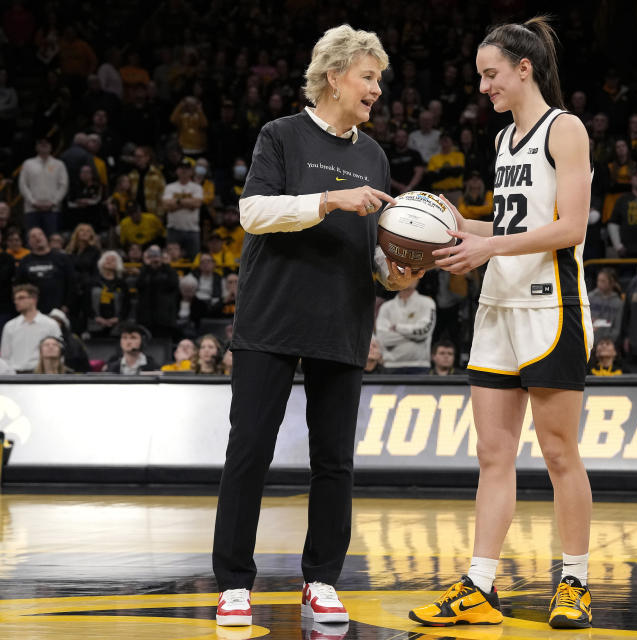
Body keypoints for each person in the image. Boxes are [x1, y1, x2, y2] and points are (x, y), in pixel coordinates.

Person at [213, 24, 422, 630]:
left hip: (342, 321)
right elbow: (252, 213)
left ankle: (322, 579)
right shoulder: (279, 136)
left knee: (335, 462)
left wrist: (399, 273)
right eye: (368, 77)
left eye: (378, 80)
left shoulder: (374, 155)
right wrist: (329, 201)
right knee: (248, 451)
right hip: (271, 318)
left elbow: (374, 258)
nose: (376, 90)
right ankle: (233, 584)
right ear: (334, 77)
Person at [408, 18, 595, 630]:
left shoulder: (564, 130)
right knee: (492, 454)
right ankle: (480, 587)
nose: (484, 85)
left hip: (550, 305)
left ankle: (575, 583)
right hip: (498, 306)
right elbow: (513, 225)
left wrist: (488, 248)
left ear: (524, 68)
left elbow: (570, 228)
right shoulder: (500, 142)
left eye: (491, 74)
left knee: (559, 452)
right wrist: (458, 228)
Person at [376, 283, 436, 374]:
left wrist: (397, 327)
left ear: (419, 278)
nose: (408, 277)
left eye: (413, 273)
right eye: (404, 273)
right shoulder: (386, 307)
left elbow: (423, 332)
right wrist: (413, 337)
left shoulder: (427, 303)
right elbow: (382, 339)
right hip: (390, 365)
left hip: (419, 365)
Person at [0, 284, 62, 372]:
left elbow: (60, 352)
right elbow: (5, 357)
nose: (16, 302)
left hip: (41, 374)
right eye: (15, 299)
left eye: (21, 298)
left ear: (33, 299)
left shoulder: (50, 324)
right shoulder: (10, 326)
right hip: (15, 375)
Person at [16, 227, 77, 315]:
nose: (38, 237)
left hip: (58, 310)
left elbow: (71, 283)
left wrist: (67, 305)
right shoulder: (25, 261)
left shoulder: (62, 258)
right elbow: (19, 286)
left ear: (45, 238)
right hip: (33, 311)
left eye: (40, 234)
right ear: (29, 242)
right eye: (33, 236)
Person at [18, 138, 68, 237]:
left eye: (47, 143)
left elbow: (64, 185)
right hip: (32, 209)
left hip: (52, 209)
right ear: (36, 147)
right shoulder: (28, 164)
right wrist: (33, 202)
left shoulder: (59, 164)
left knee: (53, 238)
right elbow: (23, 185)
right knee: (32, 238)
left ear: (51, 146)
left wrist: (54, 202)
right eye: (41, 143)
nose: (44, 145)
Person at [161, 159, 204, 259]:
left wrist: (176, 202)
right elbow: (166, 205)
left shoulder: (197, 187)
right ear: (177, 170)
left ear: (191, 171)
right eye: (181, 168)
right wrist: (188, 203)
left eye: (186, 168)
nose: (184, 171)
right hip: (173, 229)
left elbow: (197, 203)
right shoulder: (170, 187)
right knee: (171, 259)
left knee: (194, 259)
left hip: (192, 230)